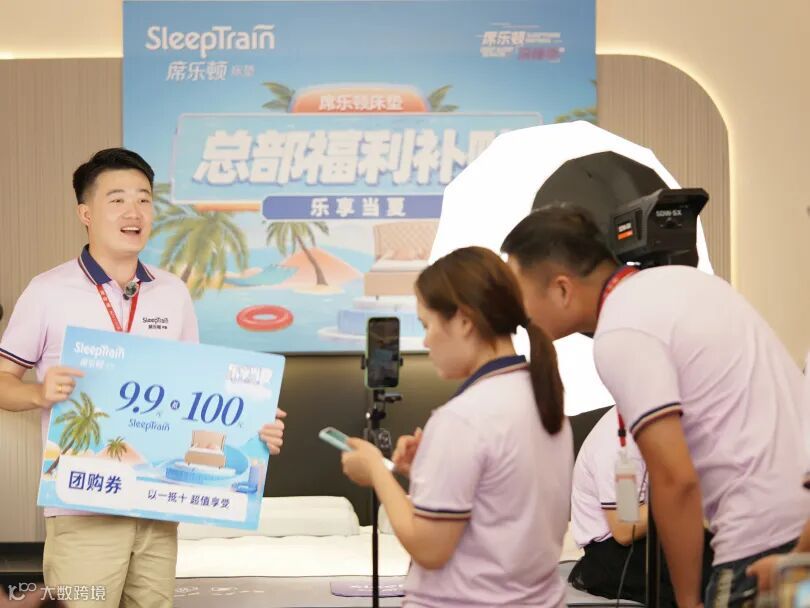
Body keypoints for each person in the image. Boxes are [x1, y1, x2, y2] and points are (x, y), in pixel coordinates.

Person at [0, 148, 286, 607]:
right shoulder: (47, 291)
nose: (133, 212)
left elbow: (195, 395)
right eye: (117, 200)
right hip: (82, 506)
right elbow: (3, 380)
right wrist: (38, 392)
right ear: (85, 213)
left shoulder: (172, 292)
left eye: (144, 199)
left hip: (158, 504)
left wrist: (251, 427)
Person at [501, 204, 809, 608]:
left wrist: (687, 602)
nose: (517, 313)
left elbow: (675, 479)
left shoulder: (621, 330)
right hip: (797, 529)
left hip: (759, 537)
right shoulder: (686, 284)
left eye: (518, 294)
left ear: (561, 289)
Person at [340, 246, 573, 607]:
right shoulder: (545, 400)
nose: (426, 341)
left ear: (464, 320)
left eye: (427, 325)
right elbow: (503, 503)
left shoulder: (463, 418)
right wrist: (427, 470)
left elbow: (429, 548)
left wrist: (376, 471)